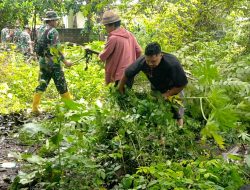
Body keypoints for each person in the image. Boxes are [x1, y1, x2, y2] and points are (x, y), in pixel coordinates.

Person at [118, 42, 188, 126]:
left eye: (153, 61)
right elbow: (127, 73)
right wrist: (120, 87)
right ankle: (160, 128)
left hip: (173, 88)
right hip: (156, 86)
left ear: (160, 55)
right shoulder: (142, 61)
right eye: (148, 61)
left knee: (177, 112)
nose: (150, 64)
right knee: (157, 109)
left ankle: (179, 129)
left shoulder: (172, 64)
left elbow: (182, 84)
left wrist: (168, 94)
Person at [32, 10, 73, 114]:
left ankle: (34, 108)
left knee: (42, 83)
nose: (56, 22)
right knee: (61, 85)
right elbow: (56, 50)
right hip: (53, 63)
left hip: (42, 61)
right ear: (52, 20)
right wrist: (66, 62)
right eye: (55, 20)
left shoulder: (40, 29)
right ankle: (71, 108)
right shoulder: (53, 31)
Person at [98, 10, 142, 87]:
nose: (105, 29)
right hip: (130, 73)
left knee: (118, 97)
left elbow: (103, 57)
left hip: (118, 76)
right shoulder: (129, 34)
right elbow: (139, 51)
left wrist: (100, 55)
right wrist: (133, 65)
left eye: (106, 26)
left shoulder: (113, 38)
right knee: (127, 97)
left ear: (112, 25)